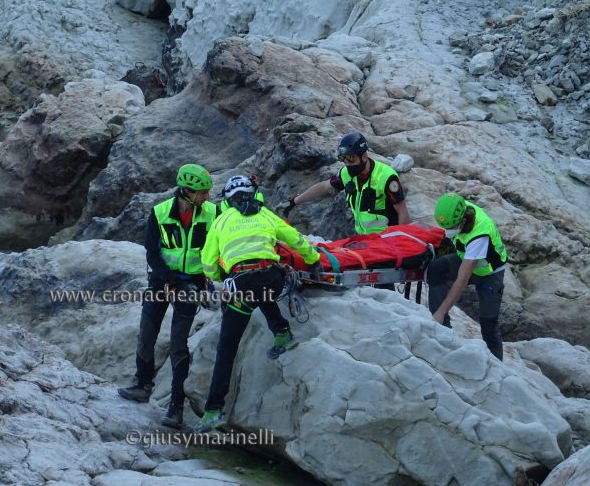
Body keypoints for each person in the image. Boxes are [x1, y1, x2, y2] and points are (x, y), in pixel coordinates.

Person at [195, 175, 322, 432]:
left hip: (243, 285)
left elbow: (208, 263)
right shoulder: (265, 214)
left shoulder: (221, 221)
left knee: (227, 348)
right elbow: (295, 238)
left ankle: (213, 410)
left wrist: (223, 276)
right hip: (272, 280)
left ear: (228, 200)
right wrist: (314, 259)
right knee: (262, 291)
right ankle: (282, 332)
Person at [118, 164, 219, 428]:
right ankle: (142, 385)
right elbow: (152, 253)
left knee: (178, 344)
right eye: (202, 192)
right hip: (162, 281)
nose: (207, 197)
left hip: (192, 283)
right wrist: (172, 279)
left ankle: (176, 407)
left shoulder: (213, 213)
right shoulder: (160, 213)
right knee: (147, 332)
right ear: (187, 192)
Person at [276, 131, 411, 234]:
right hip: (364, 239)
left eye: (350, 158)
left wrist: (400, 243)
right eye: (343, 158)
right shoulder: (346, 173)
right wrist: (293, 202)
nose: (347, 163)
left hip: (386, 240)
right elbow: (324, 187)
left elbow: (402, 212)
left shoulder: (386, 177)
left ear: (364, 156)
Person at [428, 193, 508, 360]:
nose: (449, 231)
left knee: (488, 325)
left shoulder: (480, 234)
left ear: (463, 220)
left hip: (489, 272)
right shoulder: (456, 208)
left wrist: (441, 311)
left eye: (452, 227)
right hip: (465, 256)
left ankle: (497, 365)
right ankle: (443, 329)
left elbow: (462, 279)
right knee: (436, 268)